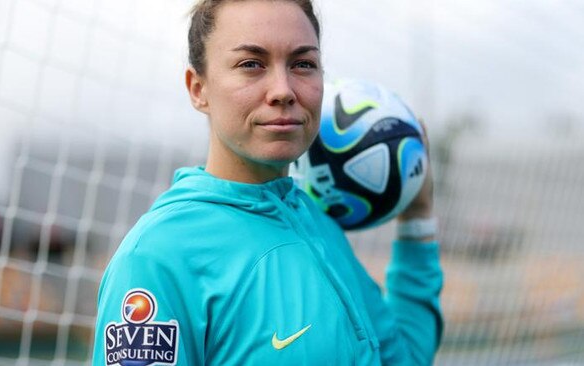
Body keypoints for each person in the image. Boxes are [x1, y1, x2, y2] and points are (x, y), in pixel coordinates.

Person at [92, 0, 443, 365]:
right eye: (251, 64)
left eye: (303, 64)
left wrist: (417, 214)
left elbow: (404, 358)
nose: (283, 90)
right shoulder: (158, 256)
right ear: (198, 89)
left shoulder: (318, 225)